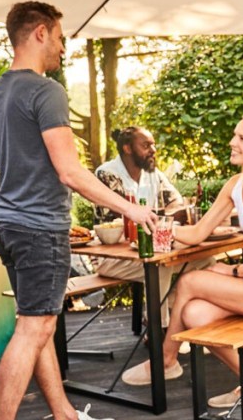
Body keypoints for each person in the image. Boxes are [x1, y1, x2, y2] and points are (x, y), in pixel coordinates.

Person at [0, 1, 157, 420]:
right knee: (33, 327)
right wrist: (132, 207)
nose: (61, 45)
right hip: (37, 228)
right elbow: (69, 171)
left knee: (40, 323)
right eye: (58, 35)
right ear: (38, 33)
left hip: (8, 223)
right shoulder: (45, 91)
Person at [121, 112, 243, 411]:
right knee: (196, 315)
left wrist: (231, 270)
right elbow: (199, 232)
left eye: (241, 138)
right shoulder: (235, 185)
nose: (232, 142)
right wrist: (162, 227)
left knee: (189, 281)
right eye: (235, 135)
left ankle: (166, 360)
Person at [92, 126, 215, 329]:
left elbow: (176, 203)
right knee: (160, 265)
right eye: (146, 145)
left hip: (151, 249)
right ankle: (160, 330)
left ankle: (187, 317)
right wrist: (166, 216)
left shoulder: (153, 174)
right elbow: (120, 223)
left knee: (205, 260)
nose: (153, 150)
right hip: (112, 257)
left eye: (153, 145)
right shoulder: (107, 174)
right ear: (127, 148)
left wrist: (170, 214)